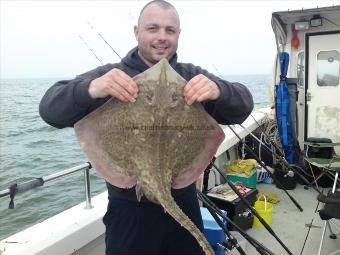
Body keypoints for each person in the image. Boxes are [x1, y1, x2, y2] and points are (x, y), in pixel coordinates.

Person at [39, 1, 254, 254]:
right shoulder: (112, 76)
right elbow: (49, 110)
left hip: (183, 200)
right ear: (136, 31)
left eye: (169, 30)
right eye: (153, 28)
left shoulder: (191, 76)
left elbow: (243, 106)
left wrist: (220, 91)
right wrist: (91, 89)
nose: (162, 37)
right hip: (129, 210)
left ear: (178, 35)